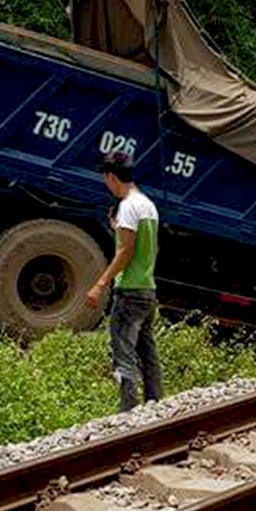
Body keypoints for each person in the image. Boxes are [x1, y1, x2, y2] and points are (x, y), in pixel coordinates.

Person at [87, 152, 162, 412]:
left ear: (110, 176)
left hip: (129, 290)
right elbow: (146, 245)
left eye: (105, 178)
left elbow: (126, 251)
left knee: (123, 350)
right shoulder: (148, 205)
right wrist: (117, 228)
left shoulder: (129, 206)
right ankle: (155, 401)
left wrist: (100, 284)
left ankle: (127, 411)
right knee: (147, 350)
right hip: (147, 289)